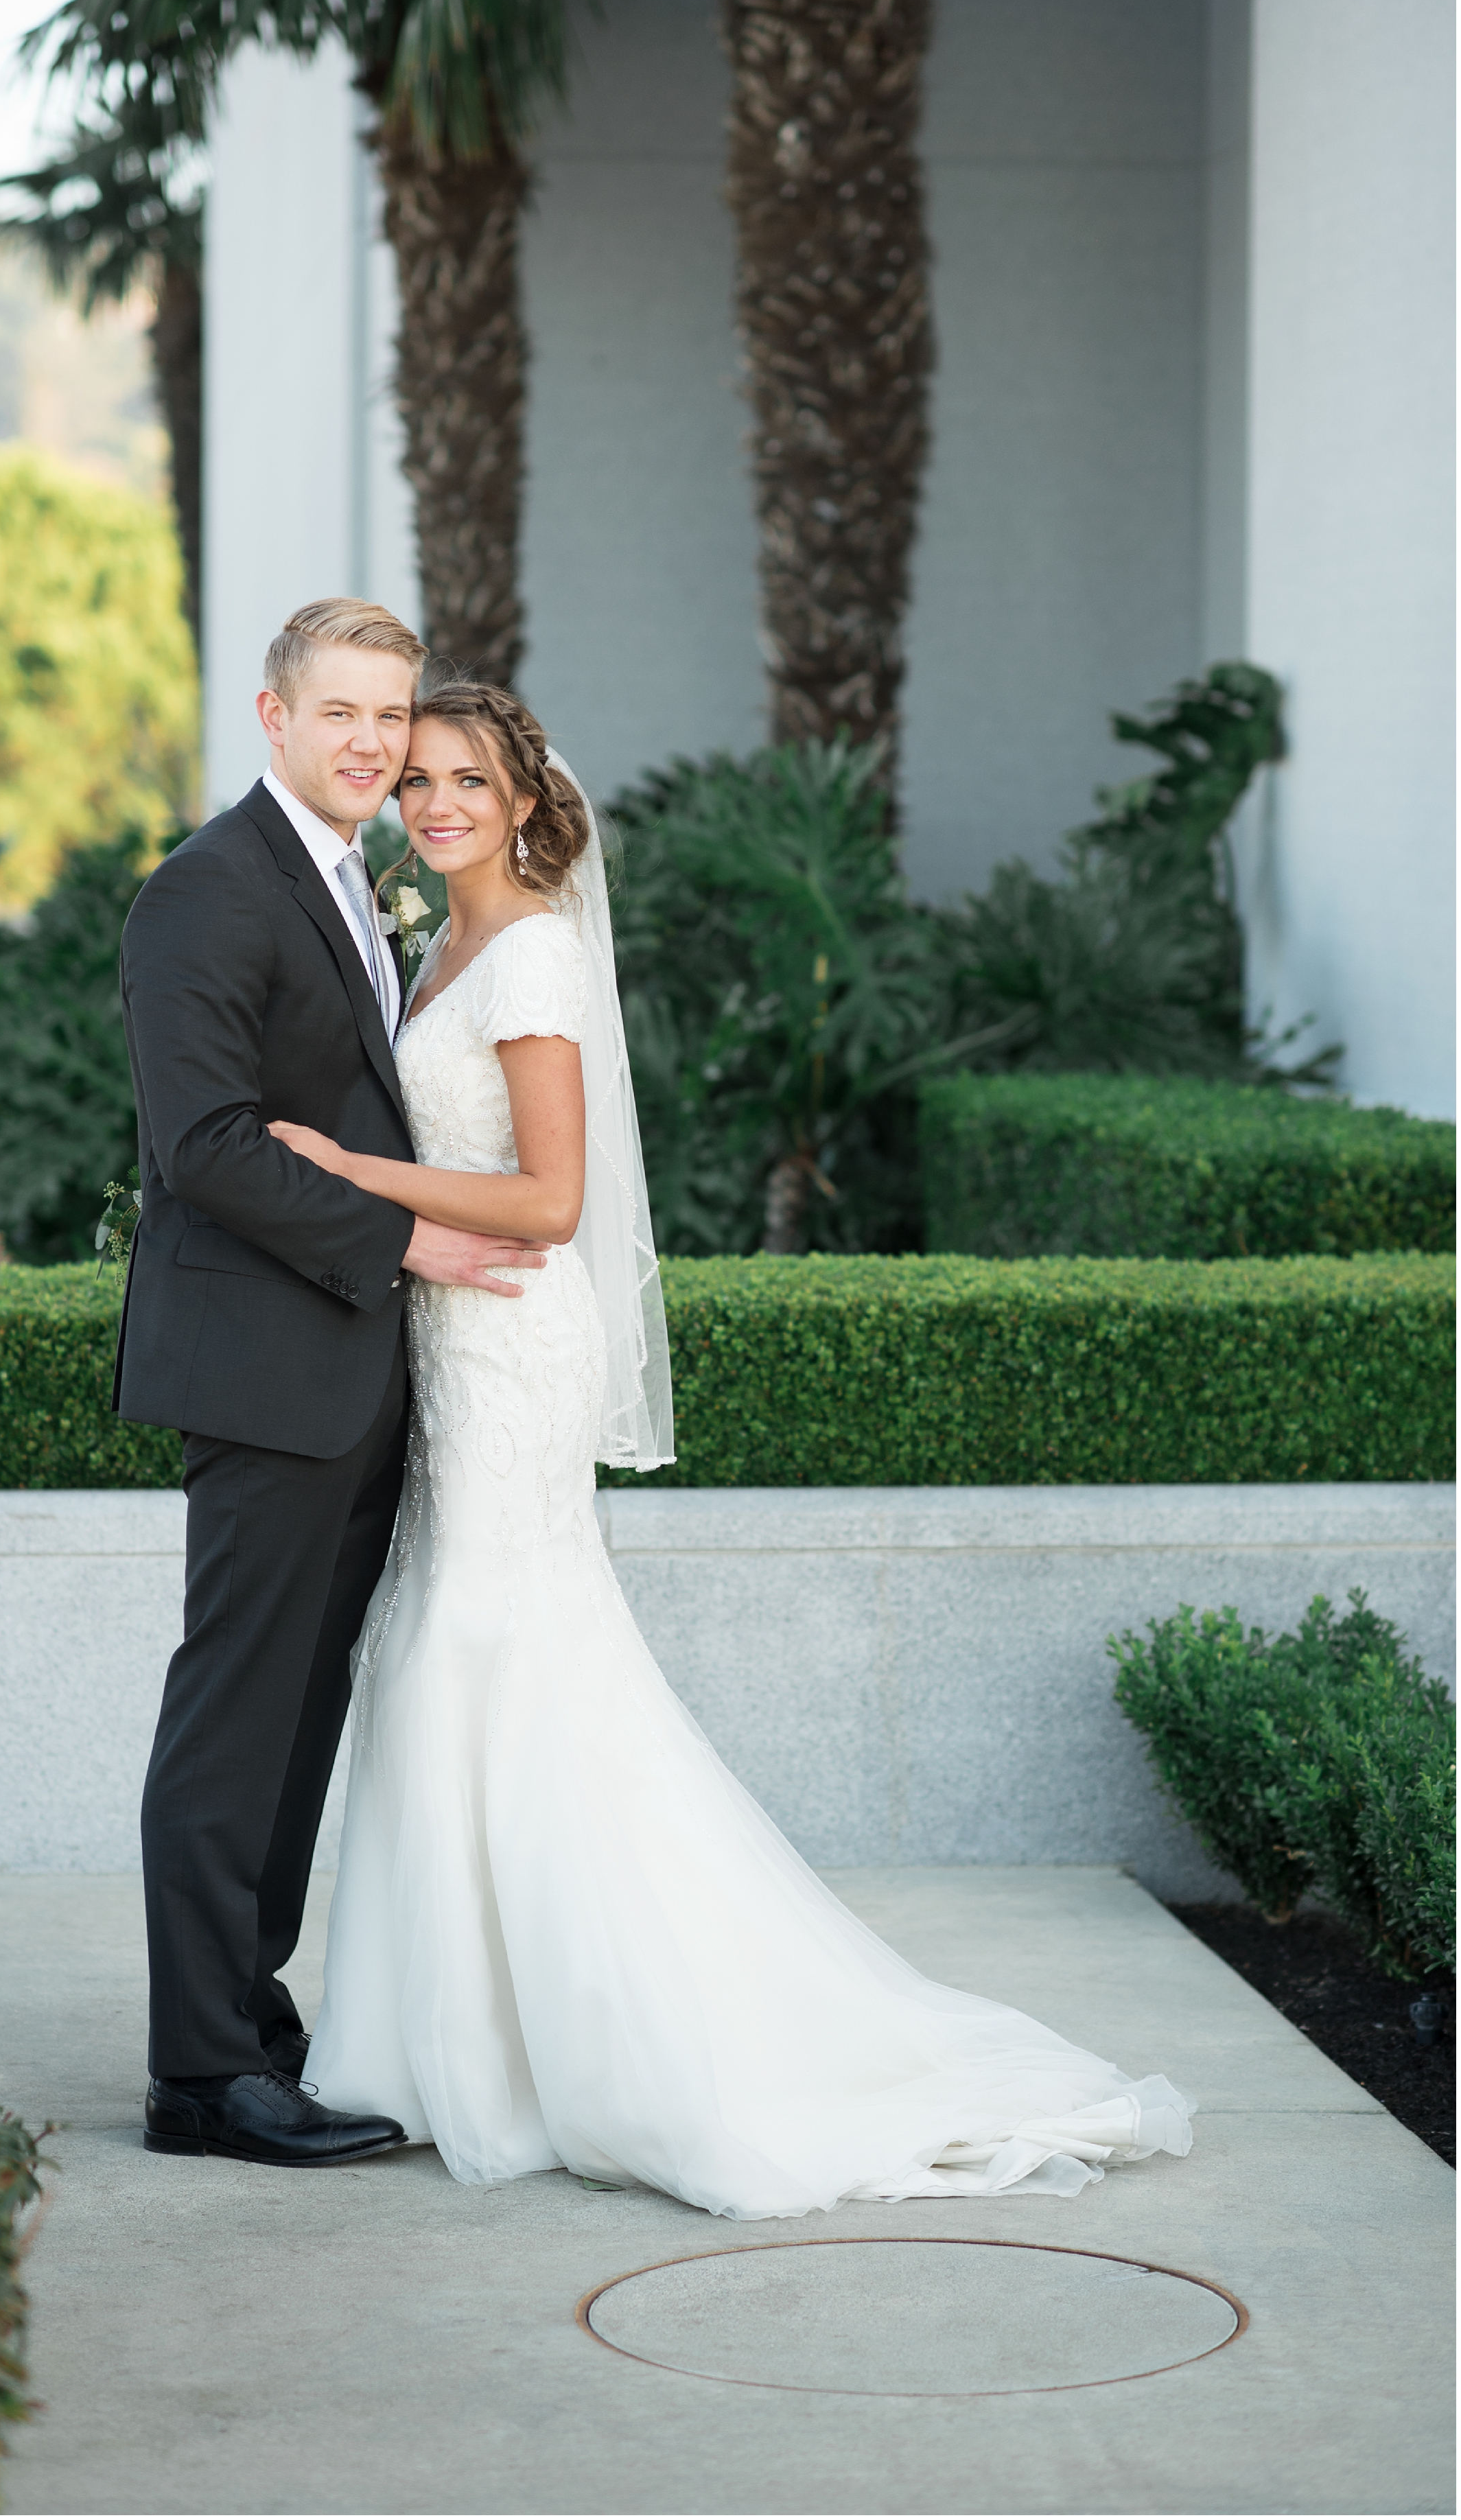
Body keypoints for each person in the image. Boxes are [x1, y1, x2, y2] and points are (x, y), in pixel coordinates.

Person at [268, 681, 1196, 2221]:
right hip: (448, 1338)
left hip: (508, 1346)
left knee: (492, 1652)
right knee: (446, 1655)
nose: (431, 803)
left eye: (464, 783)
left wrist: (345, 1168)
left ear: (523, 803)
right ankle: (461, 2045)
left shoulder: (538, 952)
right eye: (416, 778)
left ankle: (611, 2050)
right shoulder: (439, 941)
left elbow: (553, 1200)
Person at [116, 598, 546, 2169]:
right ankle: (195, 2075)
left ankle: (248, 2021)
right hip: (265, 1367)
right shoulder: (205, 892)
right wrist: (408, 1244)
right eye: (343, 713)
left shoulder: (347, 882)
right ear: (272, 716)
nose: (374, 742)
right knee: (236, 1718)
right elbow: (205, 1145)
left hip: (349, 1372)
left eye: (391, 715)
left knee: (300, 1716)